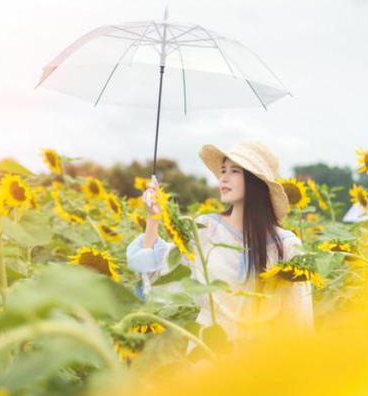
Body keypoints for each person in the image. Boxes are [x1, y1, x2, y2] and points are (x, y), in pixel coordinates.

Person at [125, 140, 315, 356]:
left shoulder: (286, 246)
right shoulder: (207, 229)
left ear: (256, 182)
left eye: (235, 171)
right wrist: (153, 217)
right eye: (223, 170)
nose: (223, 177)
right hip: (206, 355)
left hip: (259, 362)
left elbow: (299, 320)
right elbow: (155, 272)